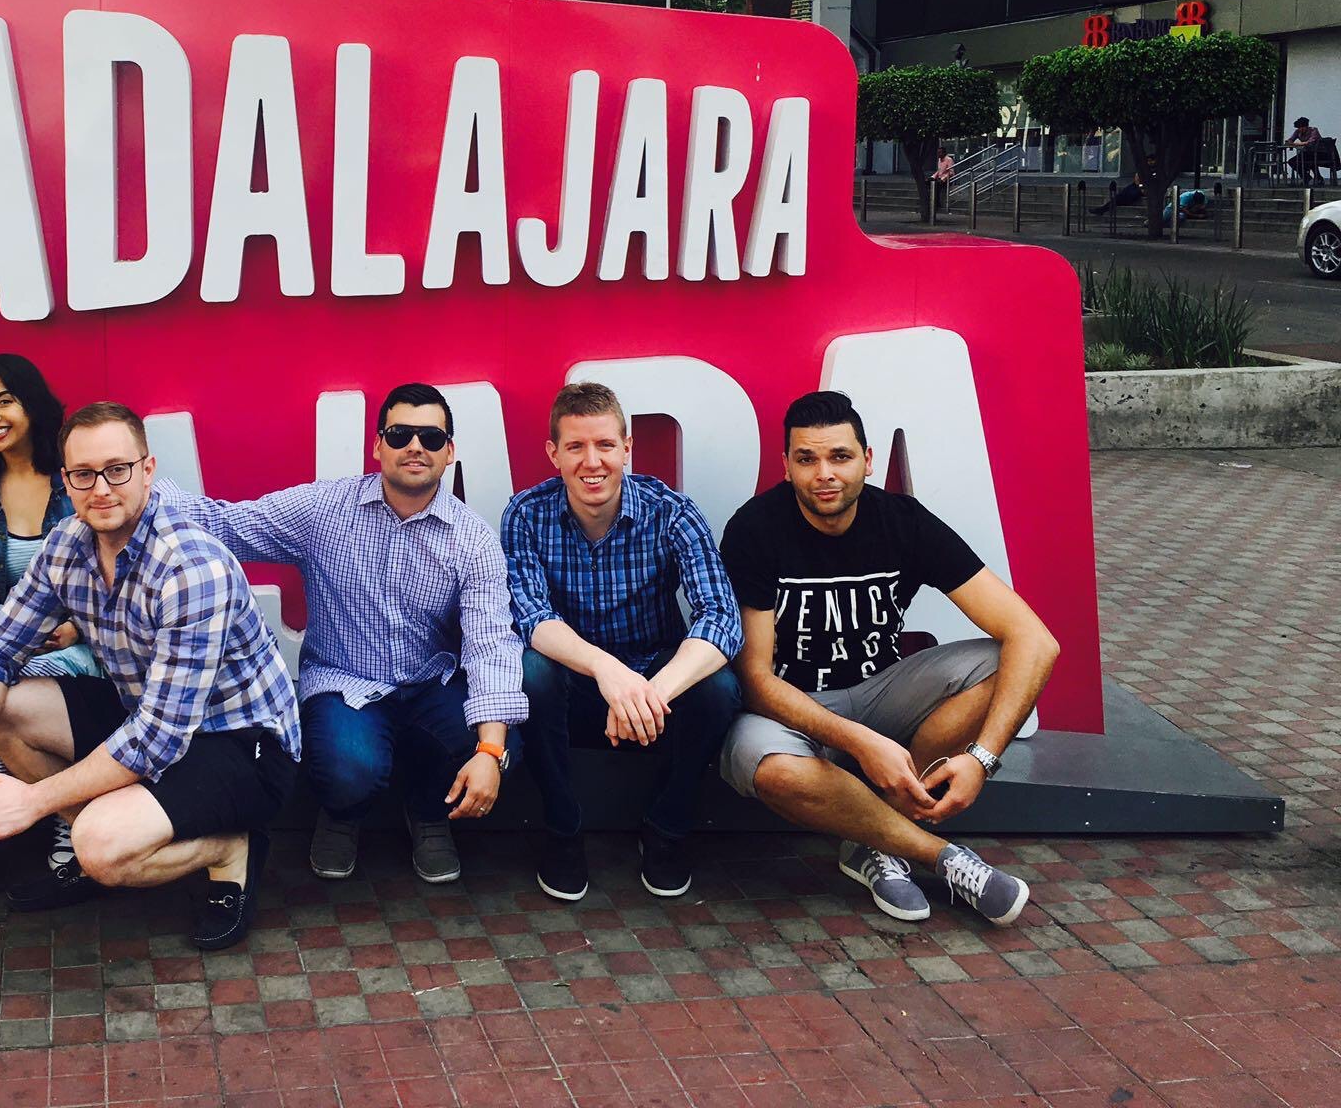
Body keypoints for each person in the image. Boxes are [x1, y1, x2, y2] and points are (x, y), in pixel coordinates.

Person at [0, 402, 300, 951]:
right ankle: (116, 842)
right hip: (142, 712)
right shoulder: (66, 544)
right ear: (66, 480)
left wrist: (34, 803)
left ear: (148, 469)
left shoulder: (190, 565)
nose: (101, 488)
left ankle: (228, 849)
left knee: (100, 844)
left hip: (241, 743)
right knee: (6, 713)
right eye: (84, 475)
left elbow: (159, 736)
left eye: (118, 469)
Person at [718, 391, 1059, 926]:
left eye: (840, 457)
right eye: (806, 459)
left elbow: (1035, 639)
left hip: (883, 693)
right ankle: (937, 856)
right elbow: (755, 680)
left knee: (1004, 661)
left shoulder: (903, 521)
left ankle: (873, 843)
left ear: (868, 460)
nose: (824, 474)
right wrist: (858, 741)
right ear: (785, 466)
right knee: (771, 769)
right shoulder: (755, 529)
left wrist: (982, 759)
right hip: (790, 706)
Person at [165, 383, 527, 886]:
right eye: (400, 434)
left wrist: (489, 751)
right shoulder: (324, 510)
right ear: (377, 445)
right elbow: (228, 524)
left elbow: (490, 642)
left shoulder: (473, 539)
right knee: (348, 768)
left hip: (430, 684)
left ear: (450, 452)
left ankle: (427, 813)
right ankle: (341, 813)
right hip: (346, 683)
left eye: (430, 436)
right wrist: (131, 482)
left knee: (503, 749)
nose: (415, 446)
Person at [505, 382, 743, 904]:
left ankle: (668, 828)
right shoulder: (525, 514)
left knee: (720, 687)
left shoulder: (672, 511)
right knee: (530, 671)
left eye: (605, 446)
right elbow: (530, 618)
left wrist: (646, 693)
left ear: (627, 448)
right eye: (575, 447)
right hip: (575, 686)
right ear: (553, 454)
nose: (592, 462)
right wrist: (607, 673)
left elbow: (721, 617)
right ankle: (563, 831)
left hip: (655, 688)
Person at [0, 353, 107, 912]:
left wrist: (70, 628)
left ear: (32, 404)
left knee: (4, 696)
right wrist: (7, 630)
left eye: (4, 400)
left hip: (86, 648)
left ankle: (40, 826)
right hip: (7, 640)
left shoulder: (76, 482)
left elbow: (118, 573)